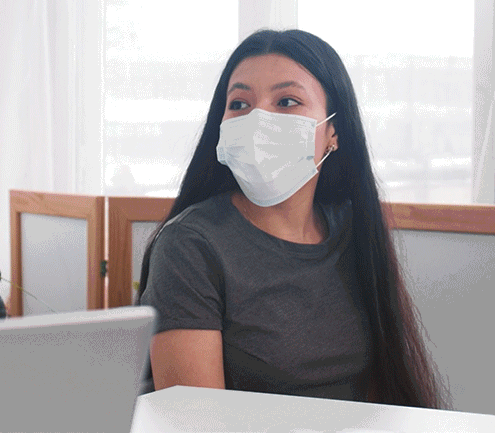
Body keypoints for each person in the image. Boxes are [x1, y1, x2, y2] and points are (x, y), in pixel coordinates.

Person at [137, 29, 445, 408]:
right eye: (239, 104)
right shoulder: (189, 246)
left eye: (286, 101)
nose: (258, 120)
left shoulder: (354, 230)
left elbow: (380, 393)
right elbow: (194, 420)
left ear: (333, 131)